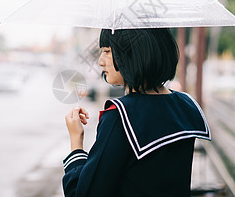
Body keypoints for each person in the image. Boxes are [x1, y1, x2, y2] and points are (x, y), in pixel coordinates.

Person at [63, 28, 211, 197]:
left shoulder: (120, 117)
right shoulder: (185, 105)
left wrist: (76, 142)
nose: (100, 61)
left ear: (132, 53)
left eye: (107, 51)